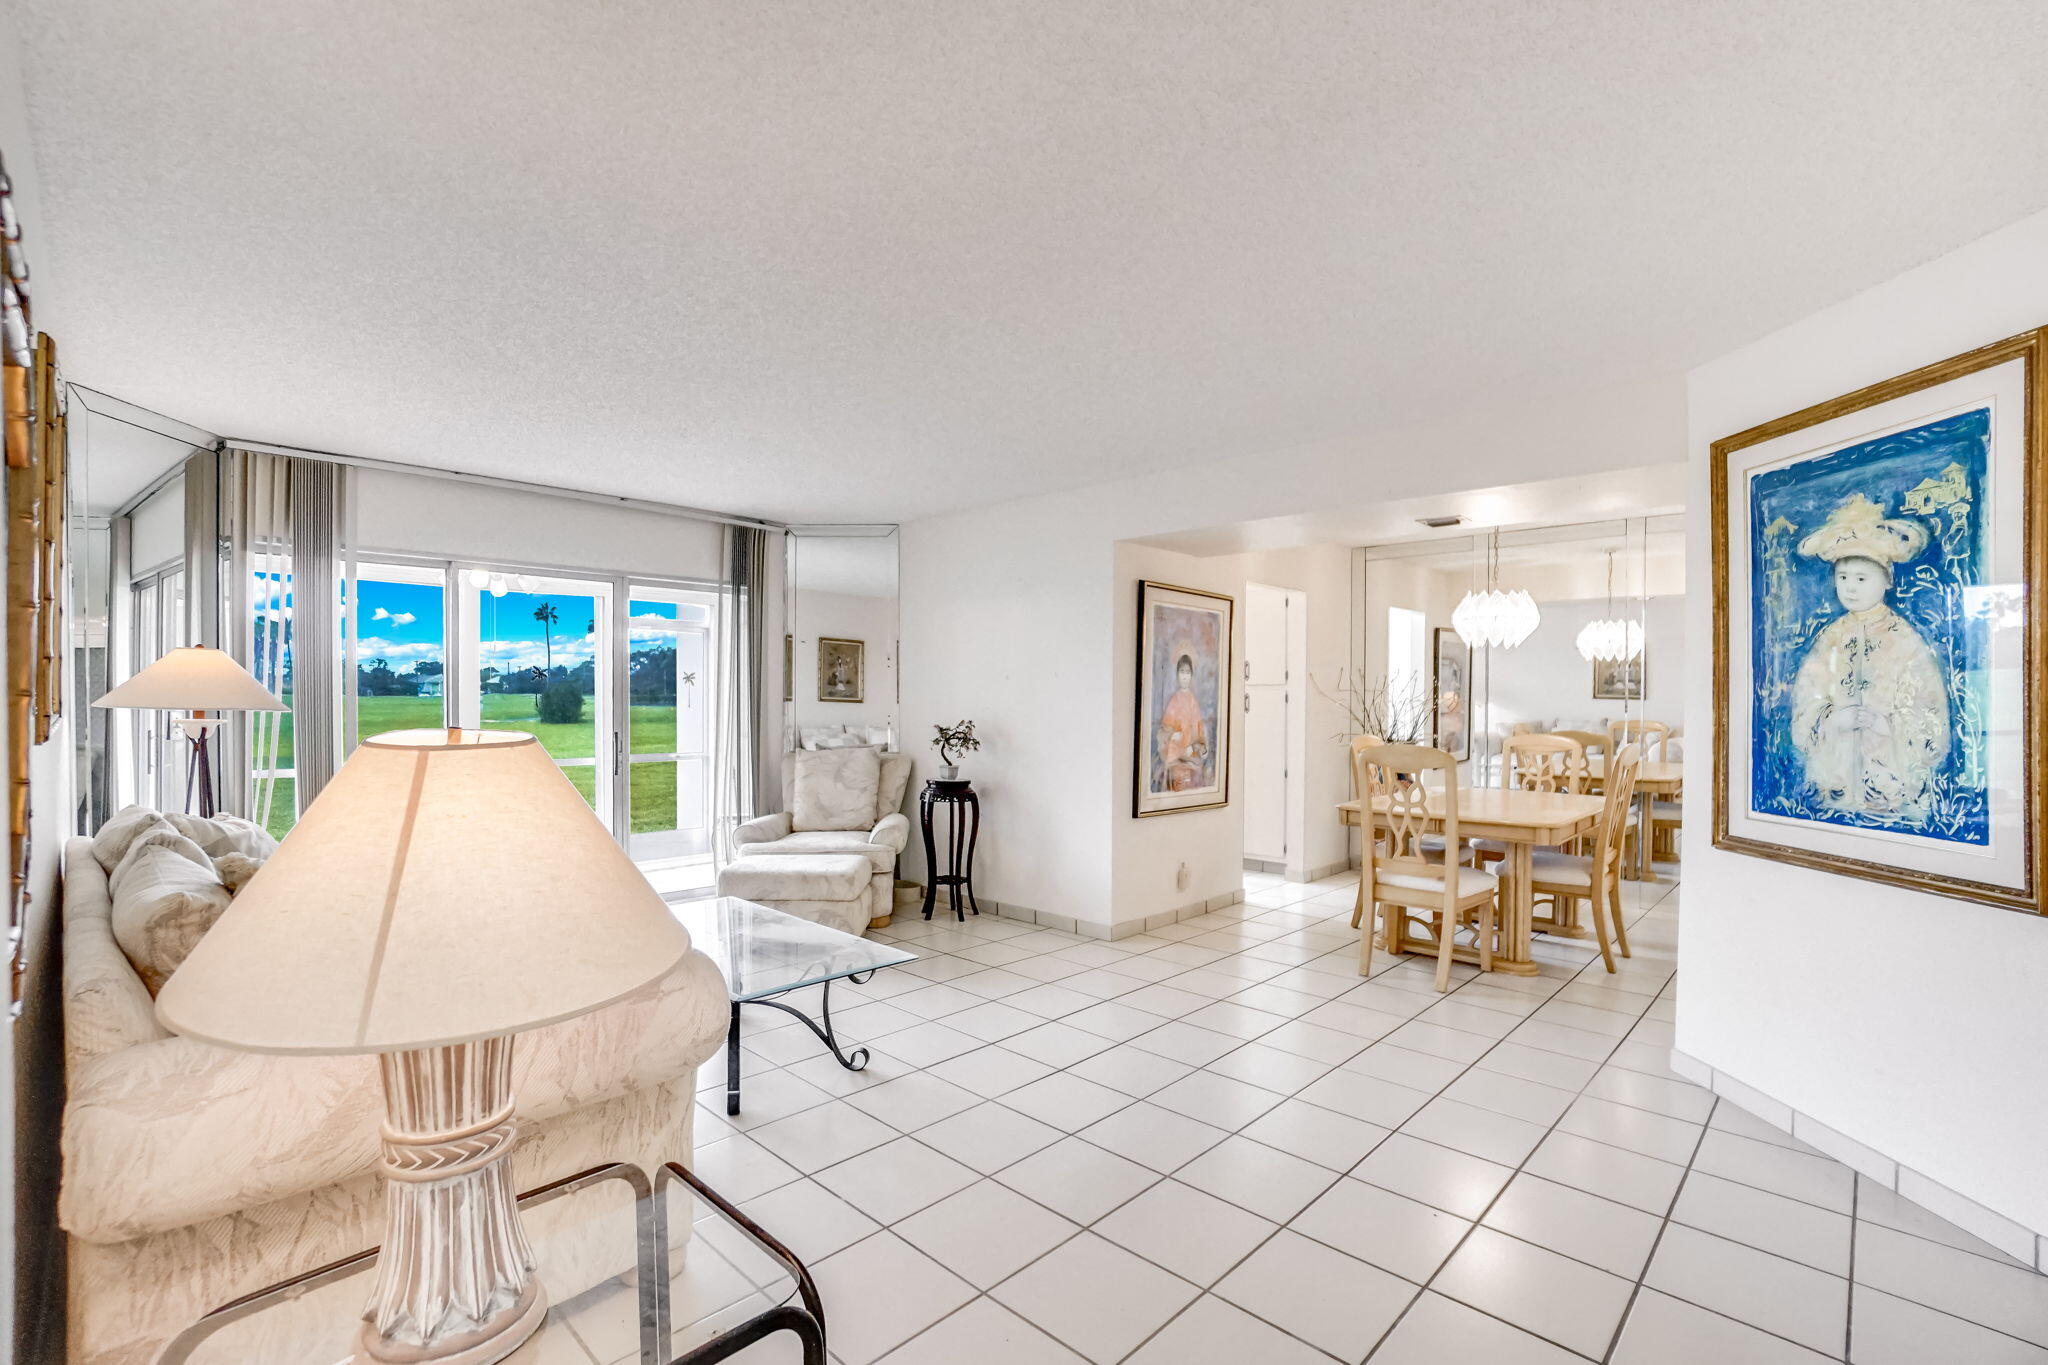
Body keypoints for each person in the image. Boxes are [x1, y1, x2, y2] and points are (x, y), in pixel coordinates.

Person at [1788, 494, 1949, 824]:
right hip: (1835, 784)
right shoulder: (1829, 638)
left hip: (1891, 788)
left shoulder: (1905, 639)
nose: (1850, 588)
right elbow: (1808, 696)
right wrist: (1831, 720)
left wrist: (1886, 725)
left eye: (1861, 579)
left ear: (1886, 580)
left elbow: (1928, 709)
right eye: (1842, 578)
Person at [1156, 653, 1210, 791]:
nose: (1185, 676)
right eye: (1182, 672)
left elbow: (1199, 732)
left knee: (1197, 776)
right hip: (1176, 753)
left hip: (1191, 754)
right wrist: (1172, 736)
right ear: (1177, 675)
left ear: (1191, 675)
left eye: (1187, 672)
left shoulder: (1193, 702)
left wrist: (1195, 747)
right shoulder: (1174, 701)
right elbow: (1165, 729)